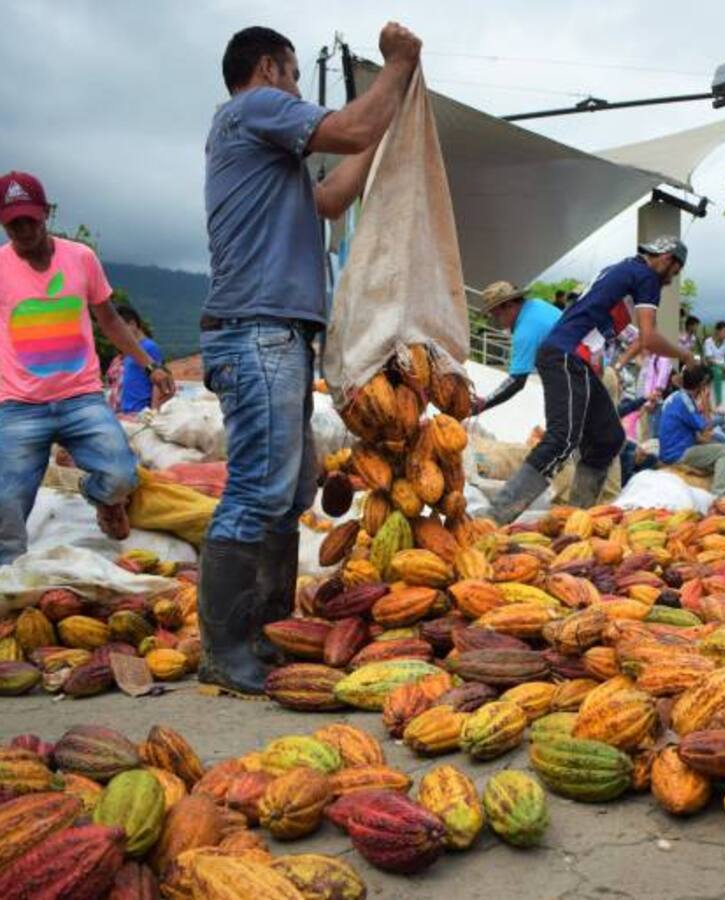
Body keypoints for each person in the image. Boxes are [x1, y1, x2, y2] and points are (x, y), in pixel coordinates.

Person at [199, 22, 422, 695]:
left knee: (289, 490)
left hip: (279, 333)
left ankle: (265, 631)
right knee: (258, 488)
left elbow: (331, 198)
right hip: (257, 329)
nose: (298, 90)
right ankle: (225, 647)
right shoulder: (253, 108)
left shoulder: (272, 158)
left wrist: (384, 129)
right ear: (269, 68)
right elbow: (348, 130)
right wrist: (399, 64)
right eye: (295, 75)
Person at [0, 171, 176, 564]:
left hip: (81, 398)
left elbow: (110, 321)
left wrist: (152, 368)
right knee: (6, 503)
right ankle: (8, 581)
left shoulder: (80, 258)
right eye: (14, 223)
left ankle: (98, 497)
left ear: (46, 212)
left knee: (120, 477)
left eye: (30, 218)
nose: (24, 229)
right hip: (19, 406)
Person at [485, 236, 696, 523]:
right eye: (674, 272)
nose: (670, 280)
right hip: (565, 356)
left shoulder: (623, 269)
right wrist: (686, 356)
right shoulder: (647, 276)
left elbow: (592, 317)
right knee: (562, 439)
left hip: (574, 358)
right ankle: (494, 517)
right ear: (668, 258)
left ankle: (577, 518)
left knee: (609, 438)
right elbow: (648, 337)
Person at [471, 281, 561, 415]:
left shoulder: (526, 330)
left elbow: (516, 381)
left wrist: (483, 403)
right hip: (583, 367)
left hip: (574, 375)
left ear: (509, 305)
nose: (497, 321)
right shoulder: (537, 305)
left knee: (559, 428)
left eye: (496, 315)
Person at [658, 365, 725, 495]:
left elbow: (699, 434)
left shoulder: (675, 396)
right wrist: (708, 403)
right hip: (678, 453)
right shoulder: (685, 400)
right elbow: (705, 427)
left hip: (673, 449)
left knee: (720, 444)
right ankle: (719, 495)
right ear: (702, 383)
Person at [114, 306, 165, 414]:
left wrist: (154, 410)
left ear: (133, 324)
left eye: (121, 328)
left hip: (141, 409)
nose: (119, 333)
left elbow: (158, 380)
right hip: (126, 409)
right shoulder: (130, 349)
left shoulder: (149, 347)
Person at [703, 320, 725, 405]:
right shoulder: (708, 342)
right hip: (711, 366)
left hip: (724, 365)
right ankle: (718, 400)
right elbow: (709, 359)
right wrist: (724, 366)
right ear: (717, 331)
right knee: (717, 372)